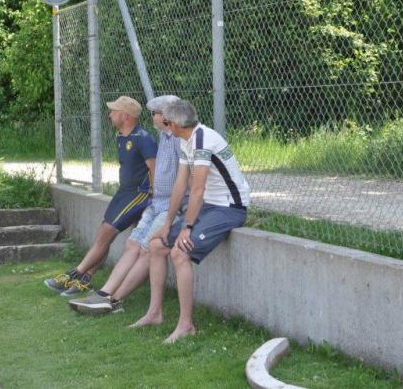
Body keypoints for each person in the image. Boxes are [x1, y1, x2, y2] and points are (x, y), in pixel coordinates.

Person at [133, 99, 250, 343]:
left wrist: (187, 227)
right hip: (209, 205)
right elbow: (180, 184)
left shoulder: (202, 140)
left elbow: (197, 189)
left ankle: (186, 326)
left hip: (229, 208)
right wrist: (167, 224)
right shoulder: (186, 140)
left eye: (166, 122)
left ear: (174, 124)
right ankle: (154, 314)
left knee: (180, 252)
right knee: (156, 244)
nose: (165, 126)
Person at [68, 95, 183, 315]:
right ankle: (104, 294)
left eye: (154, 114)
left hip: (171, 206)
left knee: (147, 250)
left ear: (166, 117)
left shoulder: (179, 141)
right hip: (157, 203)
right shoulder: (165, 136)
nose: (151, 117)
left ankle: (113, 300)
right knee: (132, 245)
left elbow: (186, 178)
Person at [44, 96, 157, 296]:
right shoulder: (121, 137)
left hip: (139, 194)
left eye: (114, 111)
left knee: (106, 233)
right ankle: (85, 279)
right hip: (124, 192)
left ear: (125, 116)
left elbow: (155, 169)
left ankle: (74, 274)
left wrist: (155, 198)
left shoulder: (143, 138)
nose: (109, 114)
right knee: (103, 236)